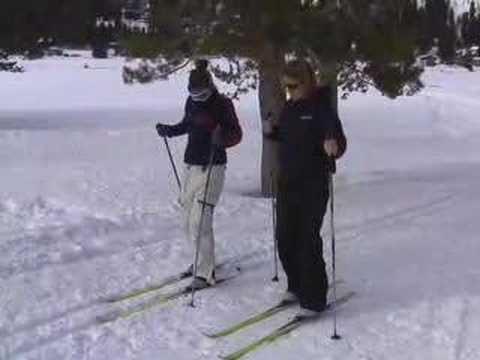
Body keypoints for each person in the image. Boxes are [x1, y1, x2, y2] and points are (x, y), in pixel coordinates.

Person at [264, 59, 347, 318]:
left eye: (293, 85)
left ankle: (313, 299)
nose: (288, 90)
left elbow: (338, 141)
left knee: (307, 240)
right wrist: (272, 132)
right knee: (285, 238)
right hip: (288, 182)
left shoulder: (321, 108)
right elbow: (290, 137)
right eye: (285, 85)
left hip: (313, 183)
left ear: (306, 82)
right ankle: (296, 286)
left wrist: (333, 147)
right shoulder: (290, 107)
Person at [155, 59, 242, 290]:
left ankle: (206, 272)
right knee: (186, 219)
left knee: (200, 221)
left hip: (212, 166)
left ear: (210, 86)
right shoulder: (191, 102)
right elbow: (187, 124)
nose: (198, 97)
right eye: (193, 93)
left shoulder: (222, 104)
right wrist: (170, 131)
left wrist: (220, 137)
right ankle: (199, 261)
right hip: (190, 165)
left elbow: (236, 134)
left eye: (202, 93)